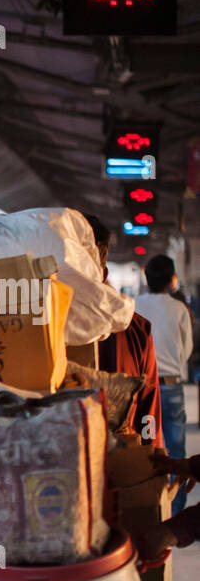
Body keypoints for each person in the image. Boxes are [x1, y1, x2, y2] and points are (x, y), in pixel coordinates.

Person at [83, 214, 160, 443]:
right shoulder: (136, 329)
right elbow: (149, 412)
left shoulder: (31, 328)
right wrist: (152, 456)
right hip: (122, 469)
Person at [136, 254, 193, 515]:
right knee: (176, 451)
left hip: (142, 387)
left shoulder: (134, 304)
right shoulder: (179, 309)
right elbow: (187, 349)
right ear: (172, 279)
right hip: (171, 385)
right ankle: (176, 510)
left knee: (144, 447)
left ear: (146, 278)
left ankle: (147, 505)